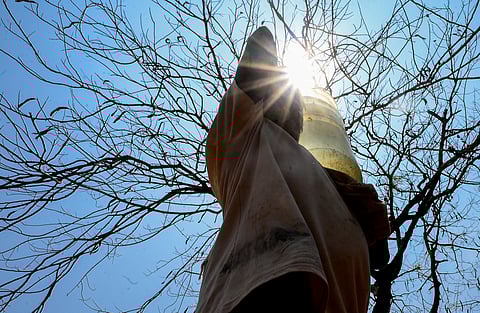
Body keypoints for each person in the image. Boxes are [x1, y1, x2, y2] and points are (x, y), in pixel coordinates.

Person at [197, 26, 390, 313]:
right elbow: (260, 45)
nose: (296, 109)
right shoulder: (242, 136)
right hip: (257, 293)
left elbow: (372, 244)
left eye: (298, 106)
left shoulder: (323, 179)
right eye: (288, 100)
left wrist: (365, 232)